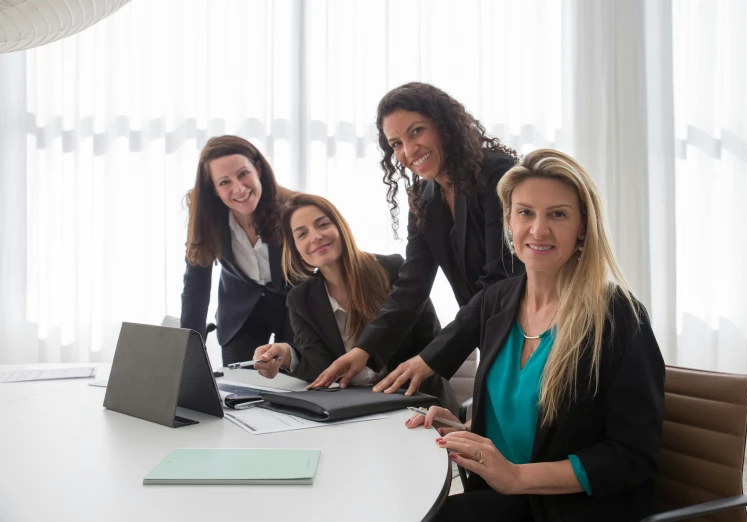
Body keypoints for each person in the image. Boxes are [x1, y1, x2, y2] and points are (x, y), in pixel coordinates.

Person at [378, 149, 665, 521]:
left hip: (573, 509)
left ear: (582, 226)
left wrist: (516, 476)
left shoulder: (618, 317)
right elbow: (525, 424)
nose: (538, 229)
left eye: (557, 214)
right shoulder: (497, 302)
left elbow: (634, 456)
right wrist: (465, 429)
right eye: (525, 212)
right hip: (505, 499)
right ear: (508, 221)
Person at [308, 82, 522, 390]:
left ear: (445, 125)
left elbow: (502, 279)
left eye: (416, 131)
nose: (408, 151)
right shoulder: (424, 197)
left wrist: (431, 358)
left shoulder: (496, 173)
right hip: (489, 335)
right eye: (395, 144)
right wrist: (363, 350)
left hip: (532, 329)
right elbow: (412, 285)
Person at [251, 194, 458, 413]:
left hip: (415, 400)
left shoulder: (393, 269)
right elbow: (321, 365)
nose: (316, 237)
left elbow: (431, 341)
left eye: (322, 224)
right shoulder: (300, 299)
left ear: (341, 228)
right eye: (302, 234)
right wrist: (286, 354)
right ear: (295, 248)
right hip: (353, 410)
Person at [180, 135, 294, 365]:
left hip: (294, 310)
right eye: (224, 182)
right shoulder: (207, 219)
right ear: (213, 189)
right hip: (241, 314)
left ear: (258, 169)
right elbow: (196, 288)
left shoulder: (294, 208)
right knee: (239, 390)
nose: (239, 188)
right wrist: (187, 354)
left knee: (295, 387)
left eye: (243, 174)